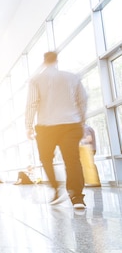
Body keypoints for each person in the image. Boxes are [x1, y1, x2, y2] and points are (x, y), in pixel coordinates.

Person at [25, 51, 87, 208]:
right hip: (71, 124)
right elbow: (83, 100)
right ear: (56, 60)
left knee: (46, 158)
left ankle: (55, 186)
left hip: (47, 127)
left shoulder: (36, 80)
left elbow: (32, 103)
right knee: (72, 160)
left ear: (44, 61)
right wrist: (81, 120)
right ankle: (77, 197)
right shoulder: (72, 77)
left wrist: (28, 126)